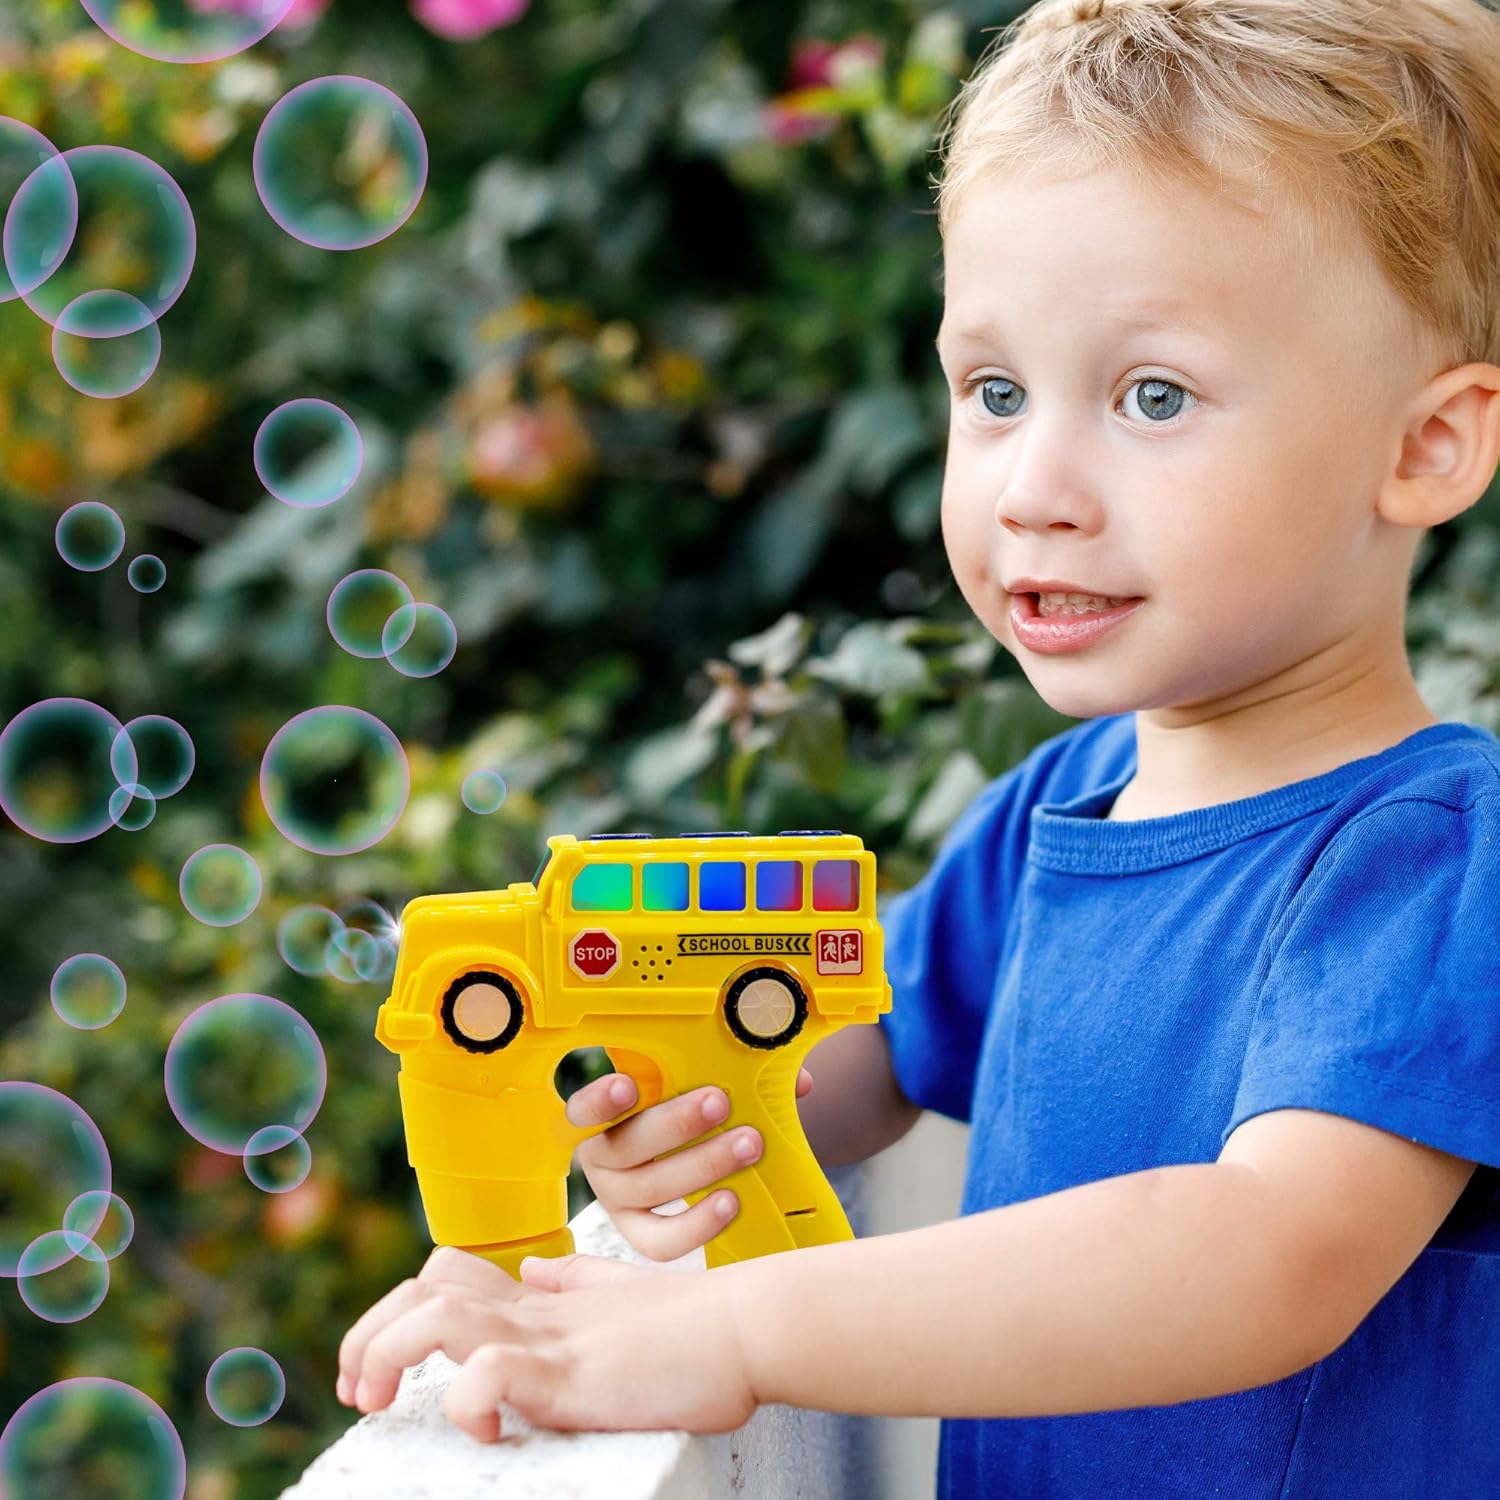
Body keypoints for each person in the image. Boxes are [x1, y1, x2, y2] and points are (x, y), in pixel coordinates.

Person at [335, 1, 1500, 1491]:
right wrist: (649, 1129)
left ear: (1426, 449)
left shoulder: (1429, 861)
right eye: (995, 392)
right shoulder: (1058, 814)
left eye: (1154, 396)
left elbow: (1268, 1251)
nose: (1033, 486)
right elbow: (851, 1055)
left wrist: (739, 1328)